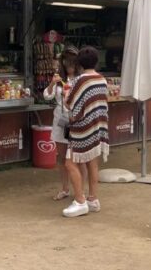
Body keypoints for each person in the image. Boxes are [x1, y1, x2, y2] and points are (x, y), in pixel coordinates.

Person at [61, 46, 110, 218]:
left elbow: (70, 104)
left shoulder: (80, 81)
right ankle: (93, 199)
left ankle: (80, 201)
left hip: (82, 129)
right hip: (97, 127)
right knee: (92, 163)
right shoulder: (102, 80)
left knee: (70, 163)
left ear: (79, 63)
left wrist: (66, 95)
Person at [42, 46, 85, 201]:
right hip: (60, 121)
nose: (69, 67)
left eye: (72, 64)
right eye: (66, 64)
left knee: (78, 158)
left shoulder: (81, 79)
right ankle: (65, 188)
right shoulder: (59, 79)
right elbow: (47, 96)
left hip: (76, 121)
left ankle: (80, 190)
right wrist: (53, 83)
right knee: (61, 157)